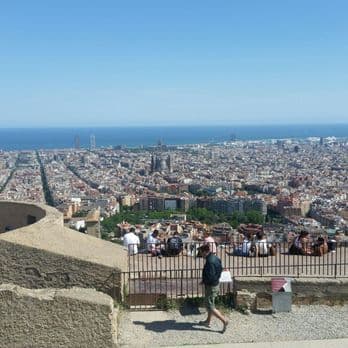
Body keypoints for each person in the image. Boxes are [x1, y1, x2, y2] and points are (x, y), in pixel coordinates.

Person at [198, 244, 229, 333]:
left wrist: (205, 281)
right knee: (211, 303)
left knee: (209, 305)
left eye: (201, 252)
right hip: (215, 284)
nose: (200, 254)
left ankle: (224, 320)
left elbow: (210, 276)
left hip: (211, 285)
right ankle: (208, 321)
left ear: (205, 252)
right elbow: (219, 269)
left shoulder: (210, 261)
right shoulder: (214, 258)